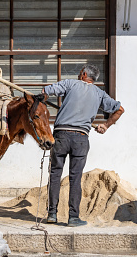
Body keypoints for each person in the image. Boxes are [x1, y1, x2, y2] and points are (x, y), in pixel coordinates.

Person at [42, 64, 124, 227]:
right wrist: (105, 125)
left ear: (84, 74)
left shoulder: (70, 84)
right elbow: (120, 109)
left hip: (61, 135)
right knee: (75, 177)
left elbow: (46, 91)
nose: (79, 75)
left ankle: (52, 214)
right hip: (80, 137)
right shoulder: (100, 94)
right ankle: (73, 217)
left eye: (80, 73)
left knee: (55, 174)